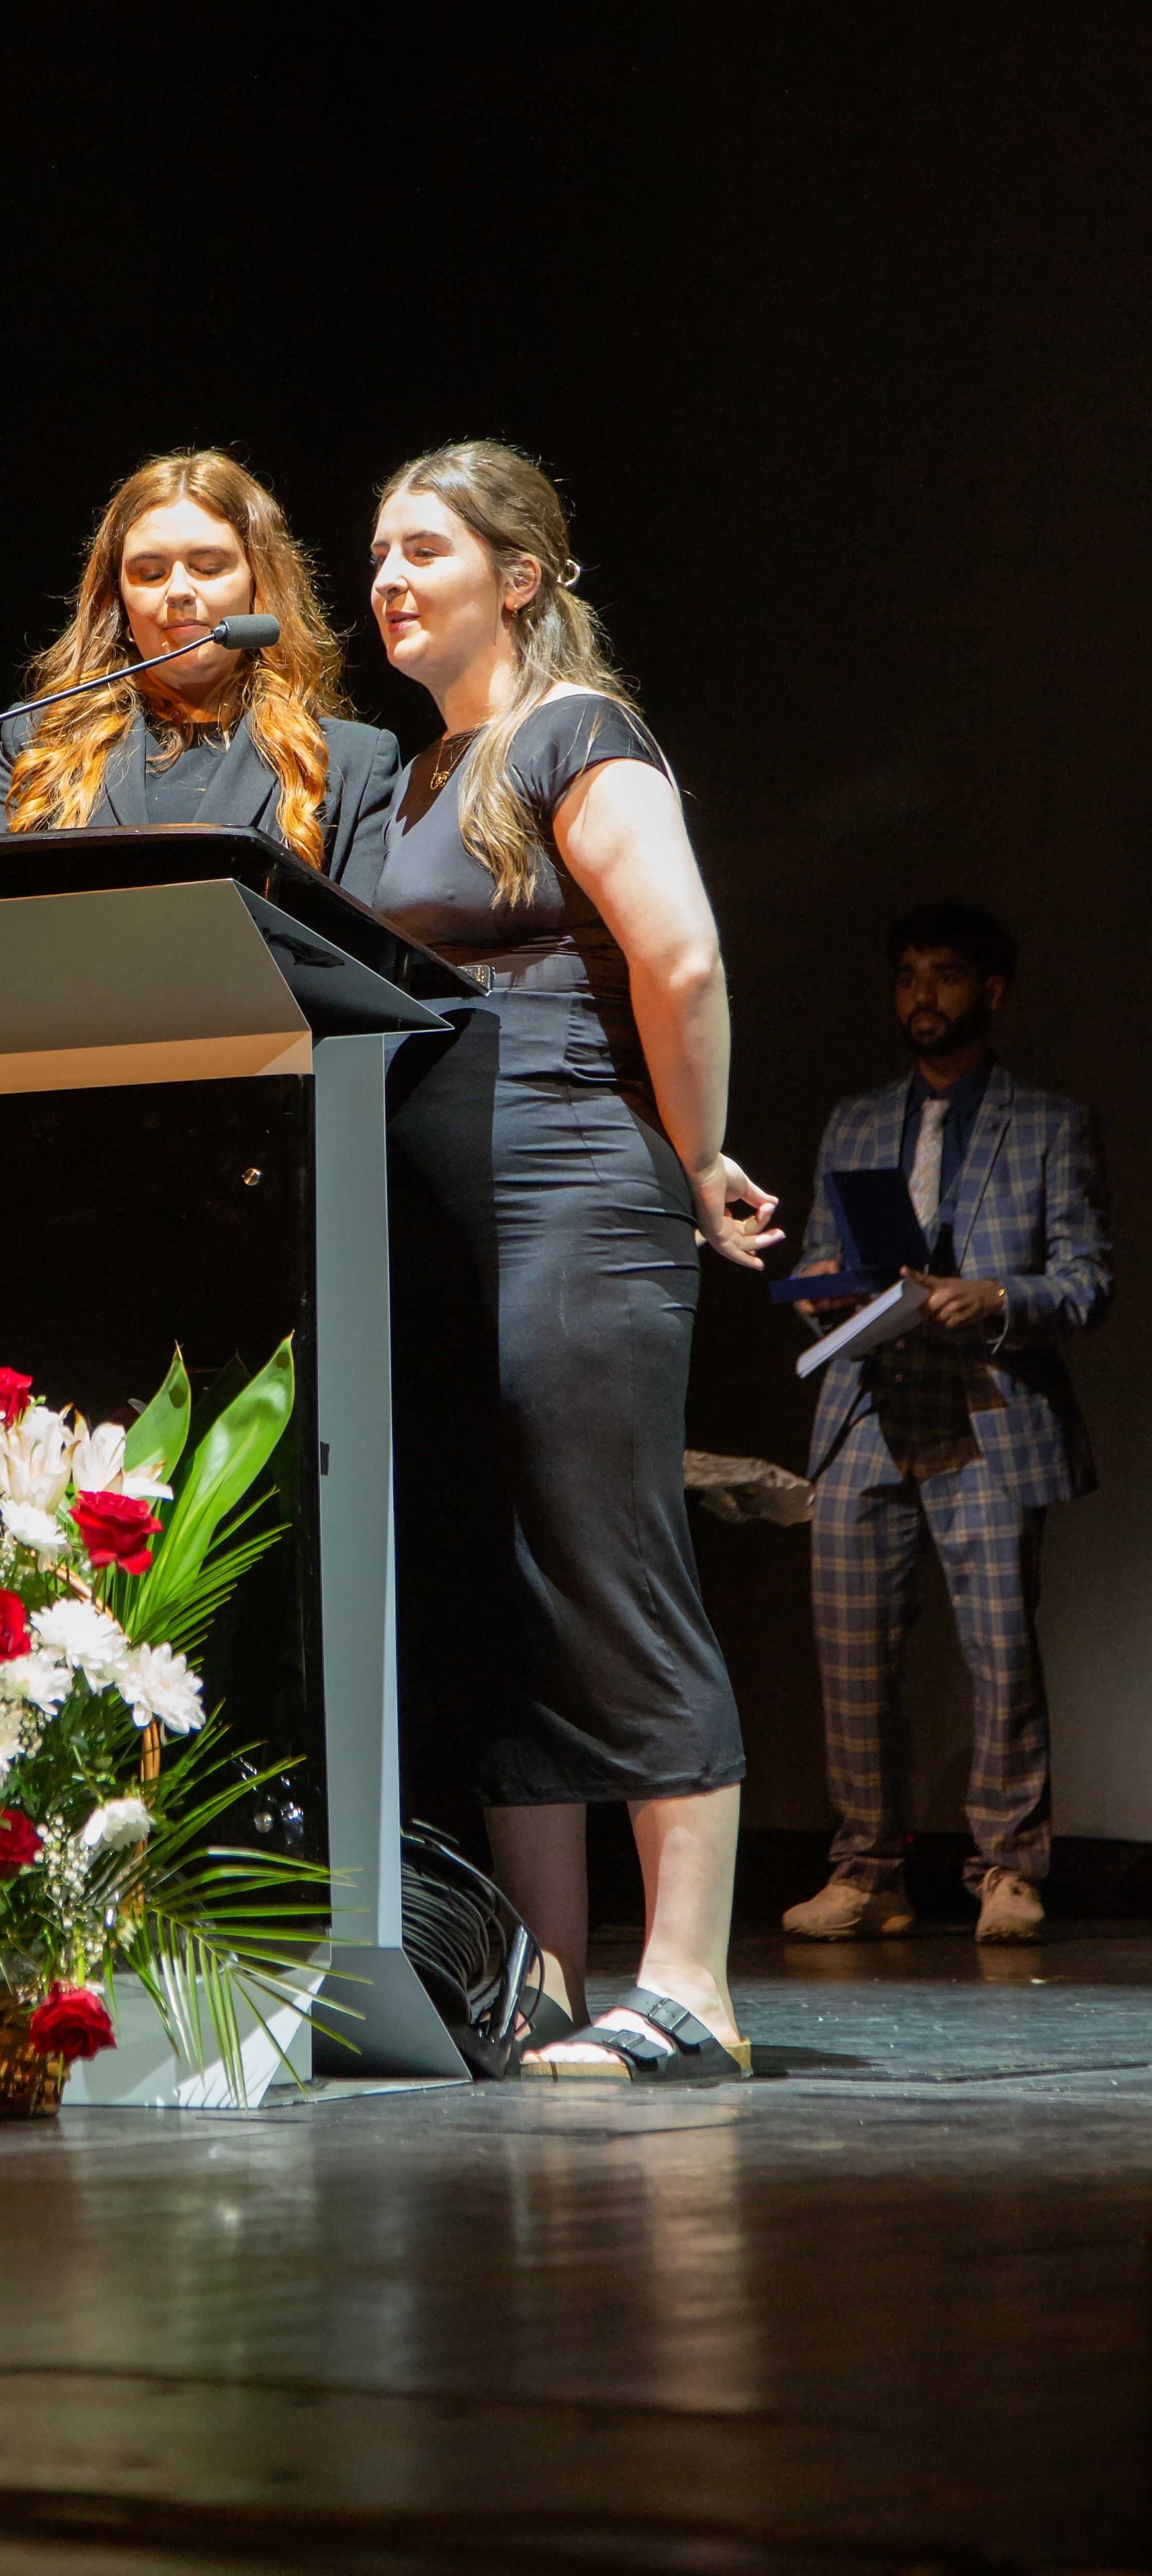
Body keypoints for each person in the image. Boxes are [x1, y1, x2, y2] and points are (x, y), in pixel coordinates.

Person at [369, 437, 777, 2084]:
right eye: (377, 554)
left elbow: (679, 959)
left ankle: (691, 1984)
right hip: (442, 1221)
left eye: (423, 549)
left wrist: (698, 1157)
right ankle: (541, 1974)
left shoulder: (574, 733)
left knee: (607, 1563)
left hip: (577, 1197)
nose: (387, 579)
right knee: (503, 1585)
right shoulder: (414, 775)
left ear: (519, 576)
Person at [783, 902, 1112, 1945]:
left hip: (988, 1407)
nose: (923, 995)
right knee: (852, 1659)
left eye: (947, 975)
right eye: (908, 976)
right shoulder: (857, 1121)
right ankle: (867, 1871)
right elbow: (826, 1255)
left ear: (992, 991)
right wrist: (824, 1288)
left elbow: (1089, 1281)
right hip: (868, 1405)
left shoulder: (1049, 1123)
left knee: (1001, 1655)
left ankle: (1009, 1870)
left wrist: (997, 1297)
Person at [0, 450, 400, 893]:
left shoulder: (351, 762)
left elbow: (355, 938)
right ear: (119, 602)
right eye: (151, 574)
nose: (178, 591)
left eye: (208, 568)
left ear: (259, 585)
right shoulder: (39, 741)